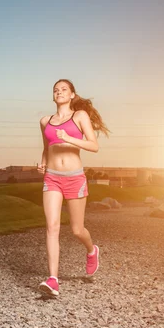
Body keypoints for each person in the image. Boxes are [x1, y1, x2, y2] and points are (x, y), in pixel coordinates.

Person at [36, 79, 110, 297]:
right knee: (52, 227)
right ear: (53, 96)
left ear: (72, 95)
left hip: (74, 178)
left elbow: (94, 146)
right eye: (56, 90)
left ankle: (91, 250)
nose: (59, 92)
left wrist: (68, 138)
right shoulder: (45, 121)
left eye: (63, 89)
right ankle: (53, 279)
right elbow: (46, 147)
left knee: (77, 229)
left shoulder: (79, 116)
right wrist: (42, 162)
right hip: (52, 178)